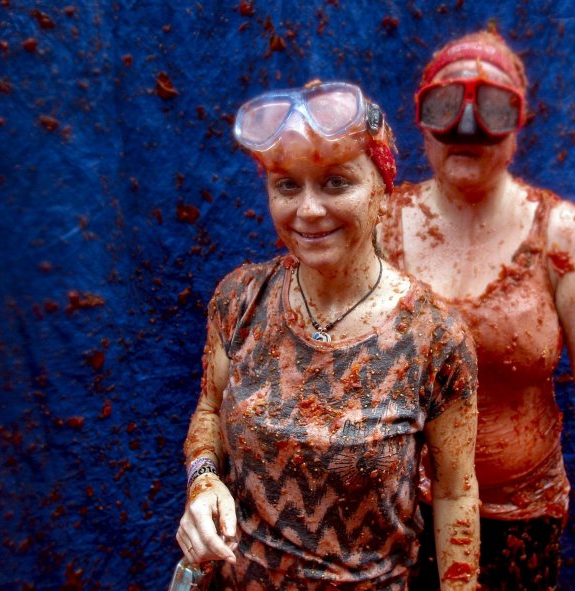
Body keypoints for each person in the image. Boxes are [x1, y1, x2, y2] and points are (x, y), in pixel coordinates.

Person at [379, 31, 575, 591]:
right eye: (447, 105)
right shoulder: (382, 224)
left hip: (521, 517)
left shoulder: (561, 237)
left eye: (490, 107)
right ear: (421, 119)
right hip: (400, 509)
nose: (467, 126)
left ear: (516, 126)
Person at [175, 81, 481, 590]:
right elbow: (209, 412)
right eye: (287, 186)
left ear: (382, 189)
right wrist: (203, 480)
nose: (309, 210)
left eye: (336, 182)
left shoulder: (435, 336)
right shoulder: (239, 301)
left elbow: (455, 494)